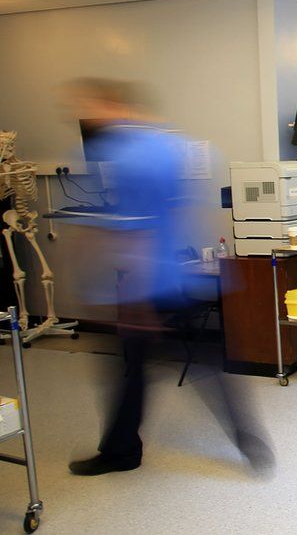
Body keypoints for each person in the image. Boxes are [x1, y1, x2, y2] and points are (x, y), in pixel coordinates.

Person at [62, 78, 273, 476]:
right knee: (193, 365)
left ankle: (121, 451)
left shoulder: (124, 156)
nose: (84, 116)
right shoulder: (169, 147)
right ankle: (249, 440)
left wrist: (133, 296)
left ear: (109, 106)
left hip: (147, 282)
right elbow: (176, 211)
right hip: (175, 274)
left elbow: (137, 229)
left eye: (88, 106)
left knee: (133, 367)